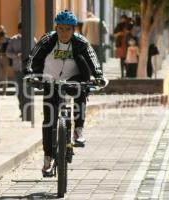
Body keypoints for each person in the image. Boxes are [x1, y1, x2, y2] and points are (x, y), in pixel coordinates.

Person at [23, 10, 106, 176]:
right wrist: (29, 72)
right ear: (56, 28)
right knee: (49, 120)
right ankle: (48, 157)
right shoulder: (48, 39)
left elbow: (92, 57)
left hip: (73, 77)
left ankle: (78, 129)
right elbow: (33, 57)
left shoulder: (81, 42)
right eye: (61, 29)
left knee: (82, 88)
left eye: (68, 29)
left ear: (74, 30)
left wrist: (98, 75)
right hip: (50, 79)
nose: (64, 33)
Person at [6, 23, 24, 117]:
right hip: (17, 68)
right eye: (20, 30)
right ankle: (22, 109)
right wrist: (16, 55)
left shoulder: (32, 39)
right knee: (19, 90)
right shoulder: (13, 40)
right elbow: (7, 52)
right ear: (18, 30)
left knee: (27, 90)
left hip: (28, 70)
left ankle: (27, 109)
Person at [0, 25, 11, 96]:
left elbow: (10, 49)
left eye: (2, 30)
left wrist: (4, 40)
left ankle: (4, 92)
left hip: (5, 57)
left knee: (4, 75)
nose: (0, 31)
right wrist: (0, 42)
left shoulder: (8, 40)